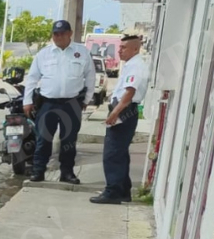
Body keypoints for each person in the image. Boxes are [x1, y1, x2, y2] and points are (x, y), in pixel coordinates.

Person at [23, 20, 96, 184]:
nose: (59, 36)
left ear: (70, 33)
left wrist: (86, 99)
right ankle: (38, 171)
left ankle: (67, 173)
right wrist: (27, 101)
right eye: (55, 34)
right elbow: (32, 78)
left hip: (72, 104)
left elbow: (90, 78)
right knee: (43, 139)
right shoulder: (44, 54)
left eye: (62, 33)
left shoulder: (82, 52)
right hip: (48, 103)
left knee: (69, 141)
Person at [91, 34, 149, 204]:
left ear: (135, 49)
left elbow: (129, 93)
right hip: (124, 109)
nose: (119, 50)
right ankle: (123, 190)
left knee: (113, 153)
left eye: (123, 48)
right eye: (120, 47)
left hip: (125, 110)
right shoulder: (131, 65)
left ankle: (113, 192)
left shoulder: (136, 66)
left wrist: (115, 113)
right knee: (120, 153)